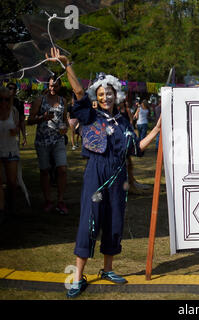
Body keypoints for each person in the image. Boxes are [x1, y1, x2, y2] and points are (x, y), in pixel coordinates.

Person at [46, 47, 161, 298]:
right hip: (96, 174)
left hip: (118, 177)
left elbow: (135, 147)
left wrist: (156, 129)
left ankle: (108, 269)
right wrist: (68, 65)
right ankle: (78, 278)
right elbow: (77, 91)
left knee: (114, 220)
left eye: (109, 93)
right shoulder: (89, 114)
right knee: (91, 219)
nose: (106, 97)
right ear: (96, 96)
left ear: (115, 95)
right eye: (101, 93)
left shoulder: (122, 121)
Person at [28, 75, 69, 215]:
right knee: (45, 170)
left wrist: (65, 128)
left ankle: (61, 201)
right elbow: (30, 120)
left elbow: (65, 121)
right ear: (48, 85)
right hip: (42, 140)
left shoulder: (63, 101)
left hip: (58, 139)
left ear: (60, 86)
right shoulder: (40, 100)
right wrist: (42, 117)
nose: (52, 88)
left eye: (55, 86)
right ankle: (48, 201)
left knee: (62, 169)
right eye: (51, 85)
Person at [0, 87, 20, 223]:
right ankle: (1, 211)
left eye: (6, 99)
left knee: (12, 183)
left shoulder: (14, 111)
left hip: (11, 150)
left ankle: (11, 207)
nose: (3, 102)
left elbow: (18, 126)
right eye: (0, 99)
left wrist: (16, 131)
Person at [7, 82, 26, 147]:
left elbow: (22, 121)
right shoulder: (2, 102)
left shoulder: (19, 103)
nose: (12, 90)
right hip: (3, 132)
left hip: (15, 133)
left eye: (14, 89)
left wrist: (24, 136)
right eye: (10, 88)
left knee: (14, 154)